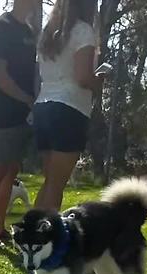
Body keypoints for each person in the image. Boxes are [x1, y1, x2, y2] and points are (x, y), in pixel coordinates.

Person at [33, 0, 105, 212]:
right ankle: (48, 239)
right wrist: (99, 81)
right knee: (56, 186)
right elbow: (83, 77)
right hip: (69, 108)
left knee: (49, 182)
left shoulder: (48, 33)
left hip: (43, 106)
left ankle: (31, 237)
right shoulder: (83, 31)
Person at [0, 0, 38, 247]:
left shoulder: (28, 31)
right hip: (4, 111)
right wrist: (27, 99)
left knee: (12, 170)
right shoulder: (0, 28)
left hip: (24, 113)